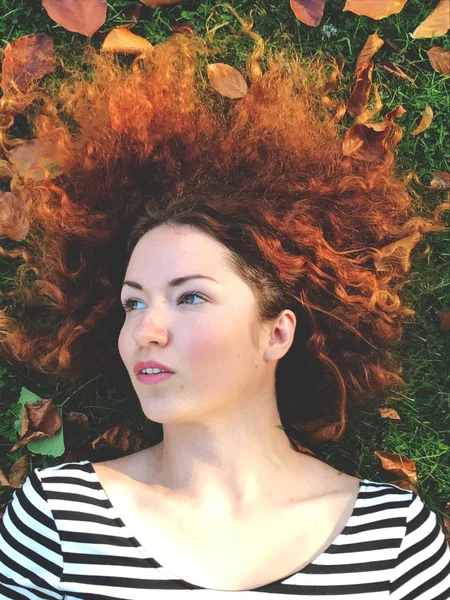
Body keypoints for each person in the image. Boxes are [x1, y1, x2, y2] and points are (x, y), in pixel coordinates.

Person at [0, 21, 449, 599]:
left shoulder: (395, 540)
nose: (145, 330)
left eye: (190, 296)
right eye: (132, 303)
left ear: (276, 333)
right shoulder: (57, 521)